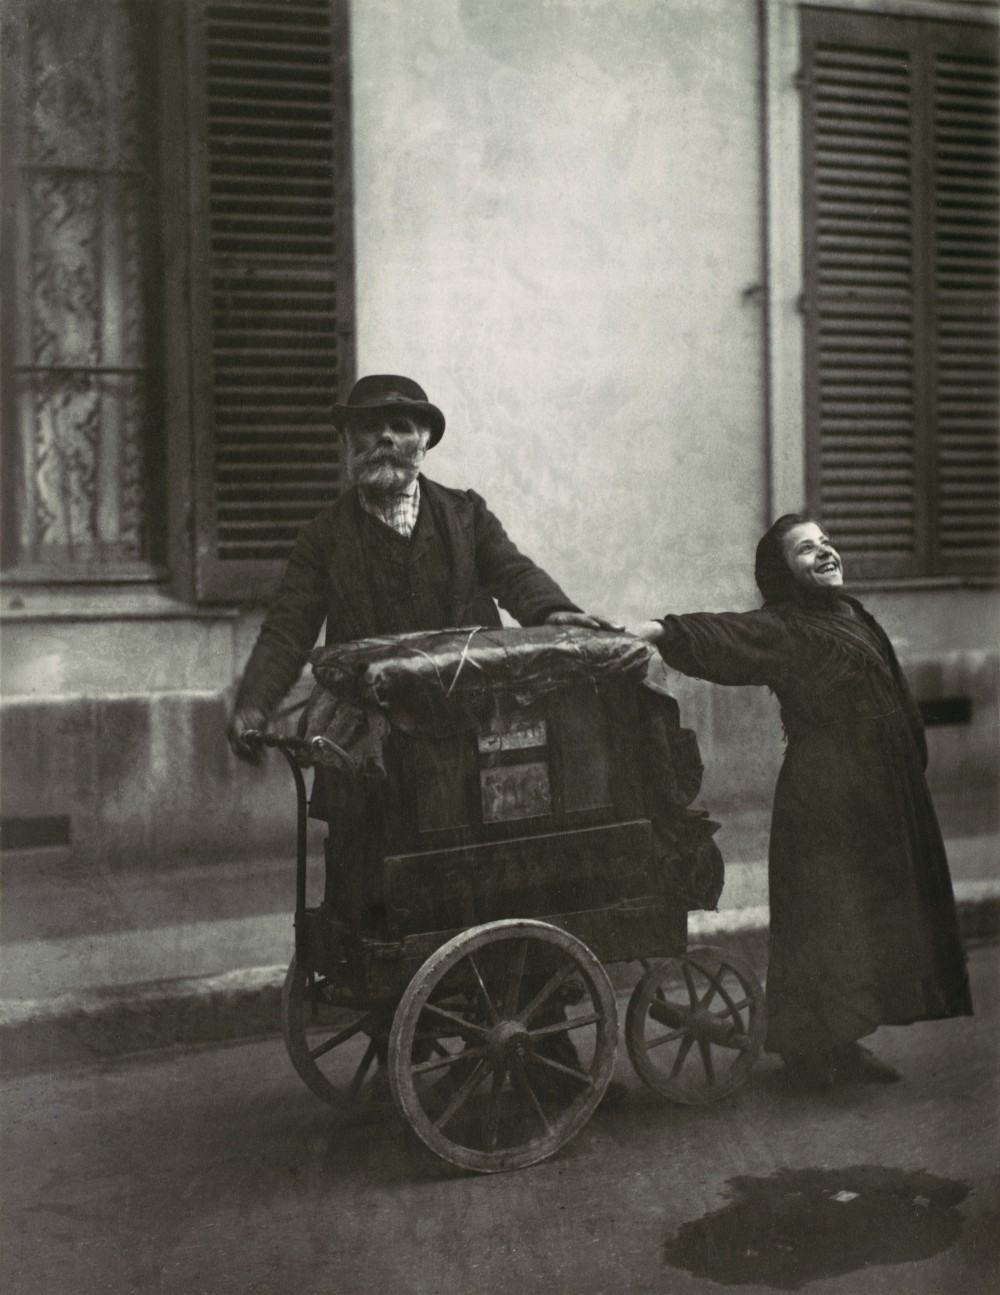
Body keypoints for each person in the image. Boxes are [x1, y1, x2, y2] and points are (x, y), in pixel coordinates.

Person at [631, 514, 972, 1090]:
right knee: (826, 919)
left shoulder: (853, 615)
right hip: (826, 798)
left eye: (826, 544)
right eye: (805, 550)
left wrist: (908, 763)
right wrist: (658, 630)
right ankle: (810, 1054)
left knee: (865, 917)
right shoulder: (786, 628)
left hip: (881, 793)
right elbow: (726, 634)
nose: (825, 553)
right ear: (781, 572)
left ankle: (847, 1042)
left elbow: (894, 689)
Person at [227, 373, 615, 759]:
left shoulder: (467, 516)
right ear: (346, 439)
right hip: (369, 736)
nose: (385, 437)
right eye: (369, 426)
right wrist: (254, 705)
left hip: (468, 723)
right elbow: (287, 630)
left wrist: (555, 611)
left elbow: (513, 573)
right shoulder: (322, 536)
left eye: (400, 427)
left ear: (425, 441)